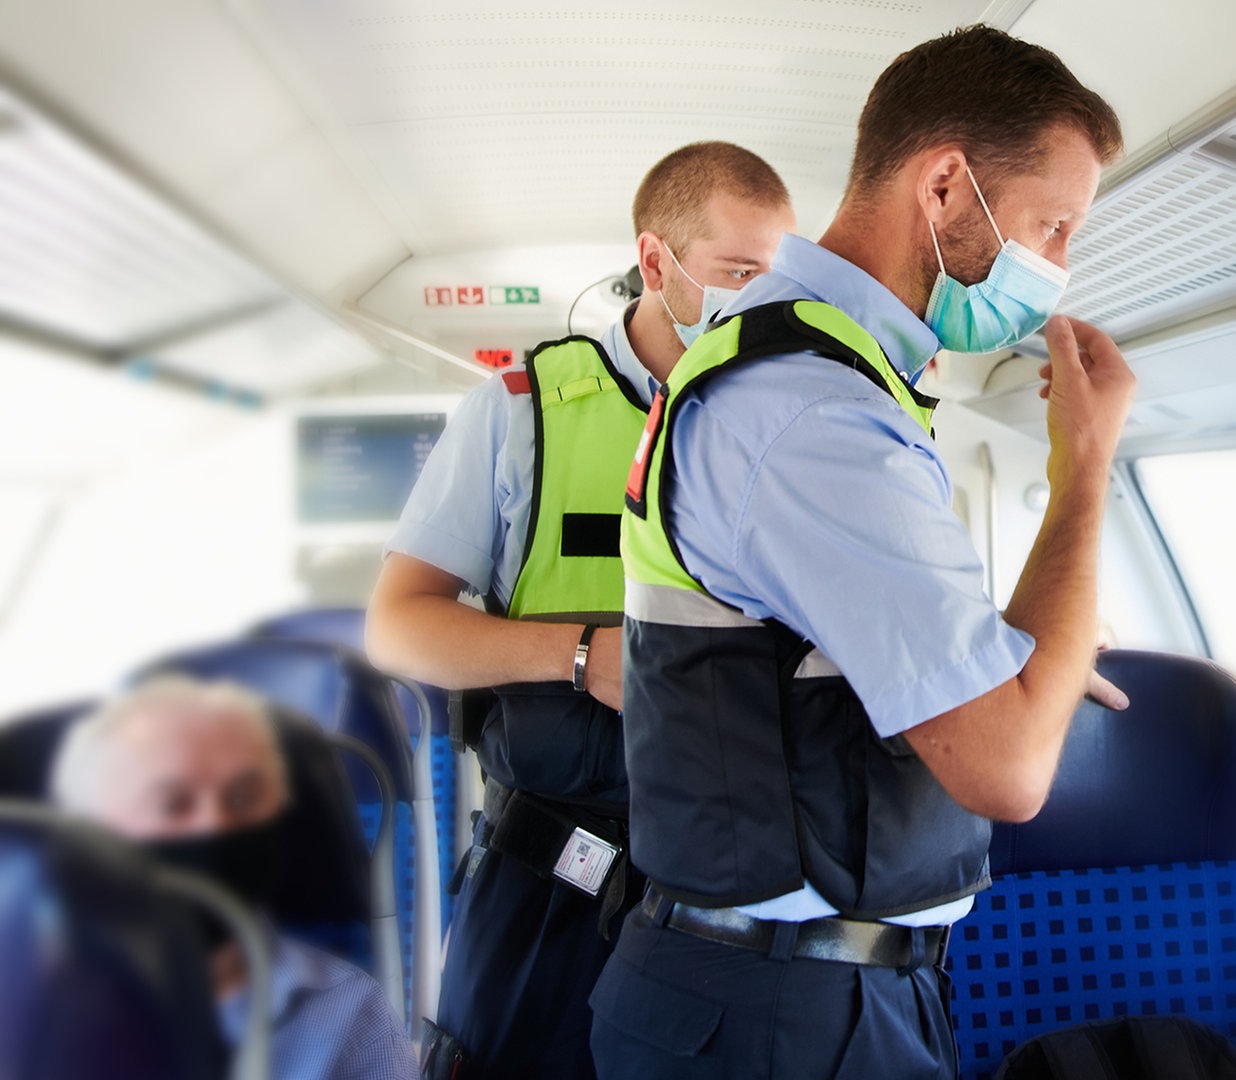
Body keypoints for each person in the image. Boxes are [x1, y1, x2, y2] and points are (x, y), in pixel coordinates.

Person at [598, 25, 1130, 1080]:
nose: (1057, 269)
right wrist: (1086, 463)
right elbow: (1007, 768)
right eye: (1050, 225)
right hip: (773, 1016)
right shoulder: (811, 410)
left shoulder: (822, 367)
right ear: (944, 186)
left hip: (811, 993)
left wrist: (1040, 658)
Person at [364, 141, 796, 1079]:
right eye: (739, 271)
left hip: (738, 889)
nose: (762, 298)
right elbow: (397, 624)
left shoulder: (795, 419)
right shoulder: (519, 408)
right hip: (552, 877)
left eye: (778, 275)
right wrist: (578, 654)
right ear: (656, 262)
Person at [51, 676, 416, 1080]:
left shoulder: (351, 1013)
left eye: (243, 799)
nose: (215, 824)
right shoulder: (30, 1009)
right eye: (173, 804)